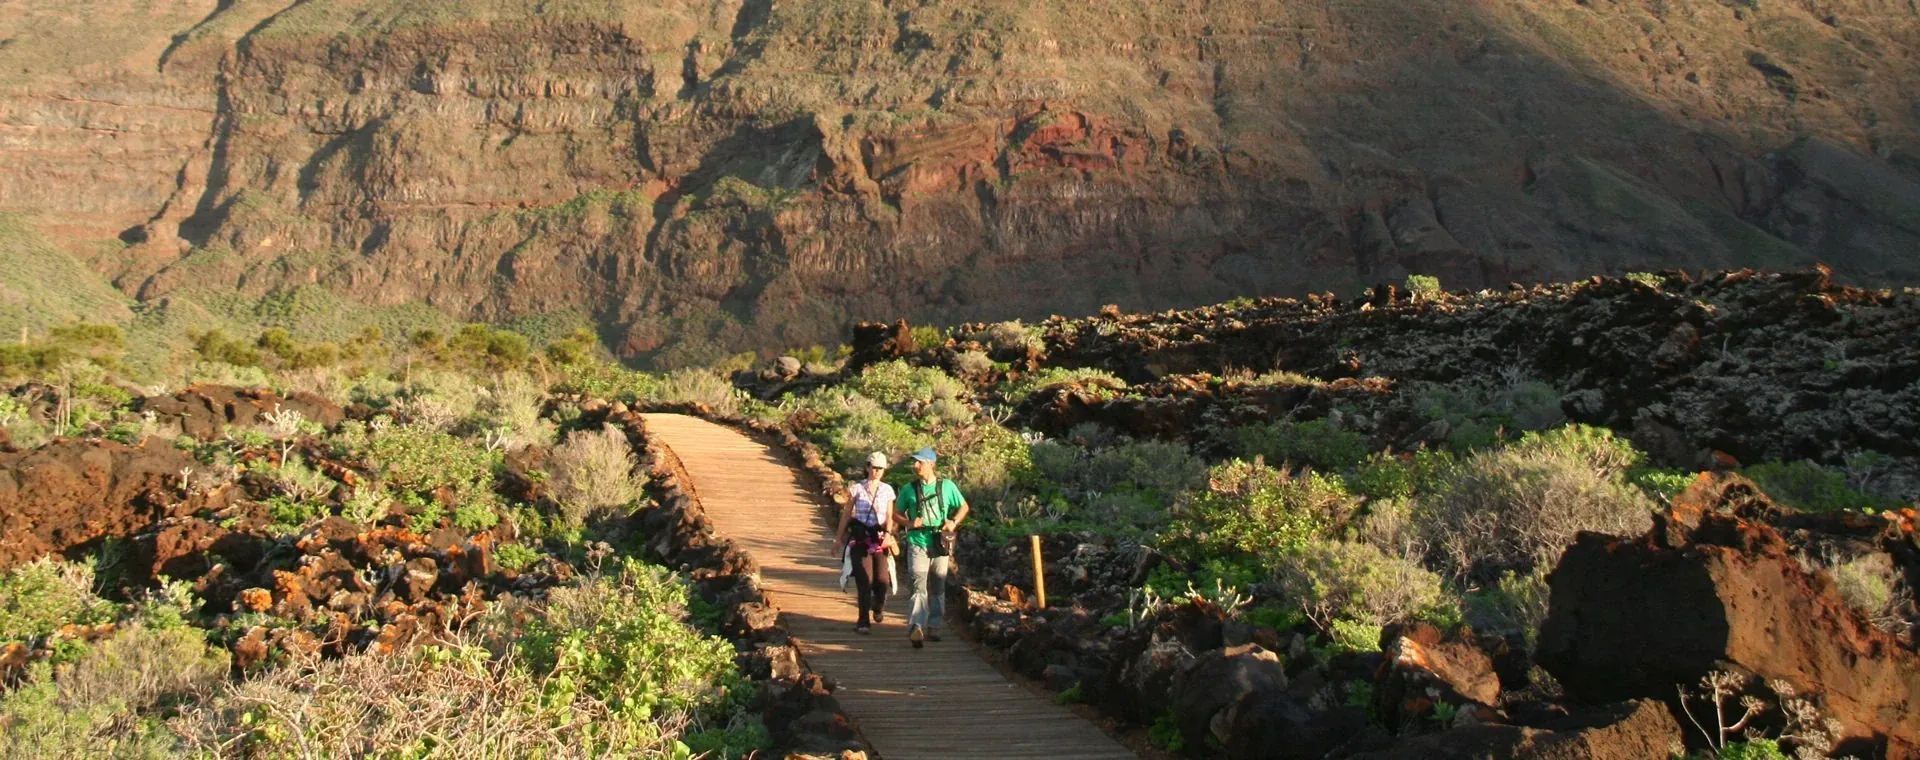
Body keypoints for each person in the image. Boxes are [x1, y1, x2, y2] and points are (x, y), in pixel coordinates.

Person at [892, 446, 967, 648]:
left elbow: (964, 506)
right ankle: (916, 626)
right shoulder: (909, 489)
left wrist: (953, 522)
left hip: (939, 542)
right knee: (918, 585)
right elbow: (896, 514)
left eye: (920, 462)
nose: (916, 466)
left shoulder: (947, 486)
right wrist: (909, 523)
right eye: (915, 462)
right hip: (917, 542)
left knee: (938, 586)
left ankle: (934, 626)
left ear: (931, 464)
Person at [833, 452, 897, 634]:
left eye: (880, 469)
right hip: (860, 538)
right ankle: (863, 620)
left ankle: (878, 606)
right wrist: (838, 538)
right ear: (867, 467)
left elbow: (890, 516)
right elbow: (847, 513)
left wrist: (888, 533)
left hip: (879, 538)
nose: (876, 472)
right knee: (864, 579)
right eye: (874, 467)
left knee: (882, 580)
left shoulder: (887, 490)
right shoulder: (857, 489)